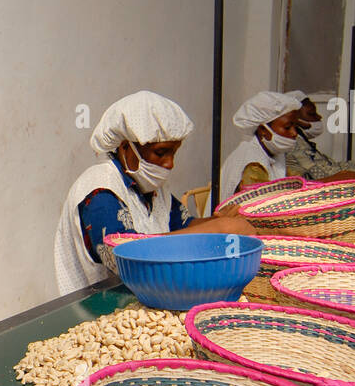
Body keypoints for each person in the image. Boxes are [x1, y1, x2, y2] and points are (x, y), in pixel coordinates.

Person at [54, 91, 255, 295]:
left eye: (174, 153)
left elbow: (183, 225)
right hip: (97, 306)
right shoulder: (100, 192)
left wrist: (216, 221)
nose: (170, 163)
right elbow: (128, 258)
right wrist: (218, 229)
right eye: (161, 153)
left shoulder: (151, 189)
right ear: (126, 147)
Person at [284, 91, 355, 181]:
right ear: (294, 118)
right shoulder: (293, 143)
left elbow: (333, 168)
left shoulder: (302, 140)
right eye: (311, 114)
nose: (319, 117)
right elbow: (326, 176)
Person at [215, 90, 306, 206]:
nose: (294, 133)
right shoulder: (252, 163)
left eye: (295, 127)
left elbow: (296, 183)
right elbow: (260, 206)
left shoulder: (274, 153)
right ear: (263, 130)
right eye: (287, 127)